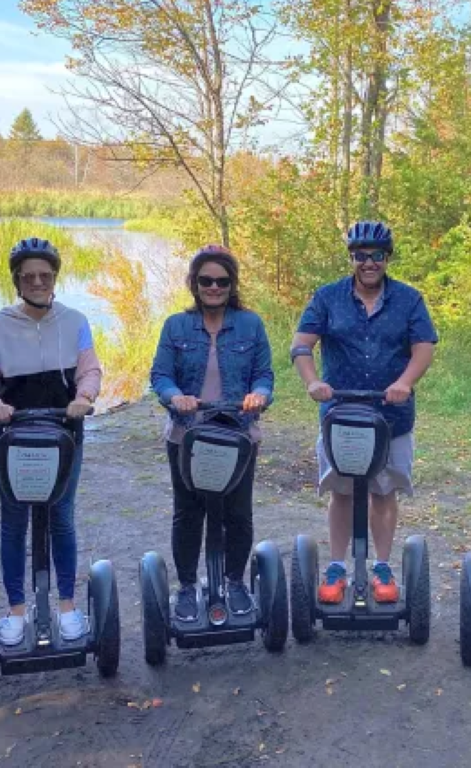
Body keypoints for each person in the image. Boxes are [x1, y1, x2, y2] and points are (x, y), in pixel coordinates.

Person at [291, 221, 437, 604]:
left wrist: (405, 382)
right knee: (342, 491)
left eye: (376, 255)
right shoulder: (327, 297)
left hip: (392, 415)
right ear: (351, 258)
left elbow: (424, 347)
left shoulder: (409, 300)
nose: (368, 262)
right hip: (341, 412)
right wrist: (311, 382)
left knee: (384, 491)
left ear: (387, 258)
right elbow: (302, 345)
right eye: (361, 255)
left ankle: (382, 566)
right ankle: (338, 565)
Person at [0, 237, 101, 646]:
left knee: (61, 516)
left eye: (45, 275)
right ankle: (14, 610)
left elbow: (90, 370)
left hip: (64, 436)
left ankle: (66, 606)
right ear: (17, 281)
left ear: (55, 278)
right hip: (14, 439)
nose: (38, 282)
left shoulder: (75, 321)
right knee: (14, 522)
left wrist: (84, 398)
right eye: (29, 277)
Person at [149, 245, 274, 621]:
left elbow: (264, 374)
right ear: (194, 283)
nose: (214, 287)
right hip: (188, 433)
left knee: (237, 513)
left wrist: (259, 395)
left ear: (231, 284)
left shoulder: (250, 324)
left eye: (222, 281)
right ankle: (188, 587)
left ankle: (234, 582)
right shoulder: (176, 326)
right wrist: (176, 397)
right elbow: (161, 375)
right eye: (206, 280)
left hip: (238, 431)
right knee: (189, 512)